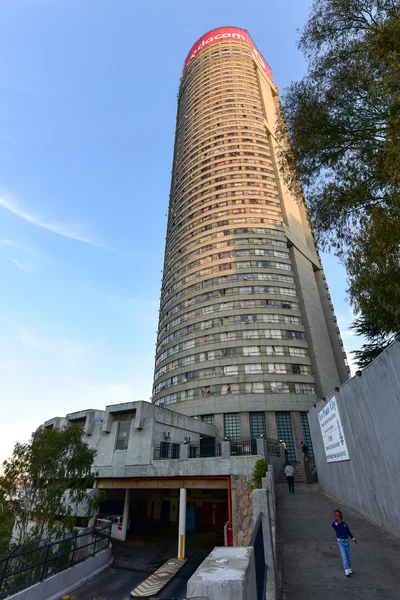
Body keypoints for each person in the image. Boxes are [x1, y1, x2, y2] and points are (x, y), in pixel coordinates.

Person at [331, 509, 357, 576]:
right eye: (336, 516)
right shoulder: (336, 524)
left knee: (348, 556)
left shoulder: (344, 524)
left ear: (341, 517)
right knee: (344, 556)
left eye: (339, 516)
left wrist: (353, 538)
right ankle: (346, 569)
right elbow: (333, 525)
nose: (338, 518)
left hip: (346, 542)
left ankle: (349, 568)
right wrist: (337, 523)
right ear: (335, 517)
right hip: (340, 542)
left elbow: (348, 532)